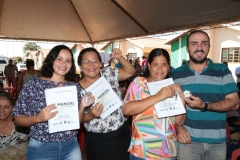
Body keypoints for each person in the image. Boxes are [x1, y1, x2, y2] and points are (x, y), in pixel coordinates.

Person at [12, 45, 93, 160]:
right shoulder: (33, 85)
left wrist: (82, 107)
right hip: (42, 147)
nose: (64, 63)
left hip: (71, 147)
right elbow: (17, 119)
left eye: (68, 60)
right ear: (51, 60)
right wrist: (38, 118)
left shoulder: (73, 87)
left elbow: (78, 121)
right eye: (59, 59)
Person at [171, 30, 239, 160]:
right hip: (187, 143)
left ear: (209, 47)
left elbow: (235, 102)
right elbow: (169, 111)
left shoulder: (222, 71)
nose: (199, 48)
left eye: (204, 43)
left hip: (217, 144)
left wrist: (205, 106)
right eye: (194, 44)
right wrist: (178, 127)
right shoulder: (176, 74)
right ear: (187, 48)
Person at [123, 48, 186, 160]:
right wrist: (158, 96)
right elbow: (126, 109)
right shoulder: (139, 83)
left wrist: (182, 97)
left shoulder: (172, 87)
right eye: (156, 64)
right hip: (142, 152)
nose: (160, 69)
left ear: (168, 66)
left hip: (167, 152)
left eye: (164, 65)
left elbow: (179, 121)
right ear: (149, 65)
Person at [77, 47, 135, 160]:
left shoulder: (109, 73)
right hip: (98, 141)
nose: (91, 65)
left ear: (100, 63)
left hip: (122, 133)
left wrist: (120, 58)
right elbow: (77, 120)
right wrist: (90, 115)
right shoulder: (76, 89)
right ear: (80, 65)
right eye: (86, 61)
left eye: (95, 61)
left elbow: (130, 71)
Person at [0, 93, 28, 160]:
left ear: (13, 107)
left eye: (6, 107)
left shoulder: (21, 122)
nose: (2, 110)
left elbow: (35, 144)